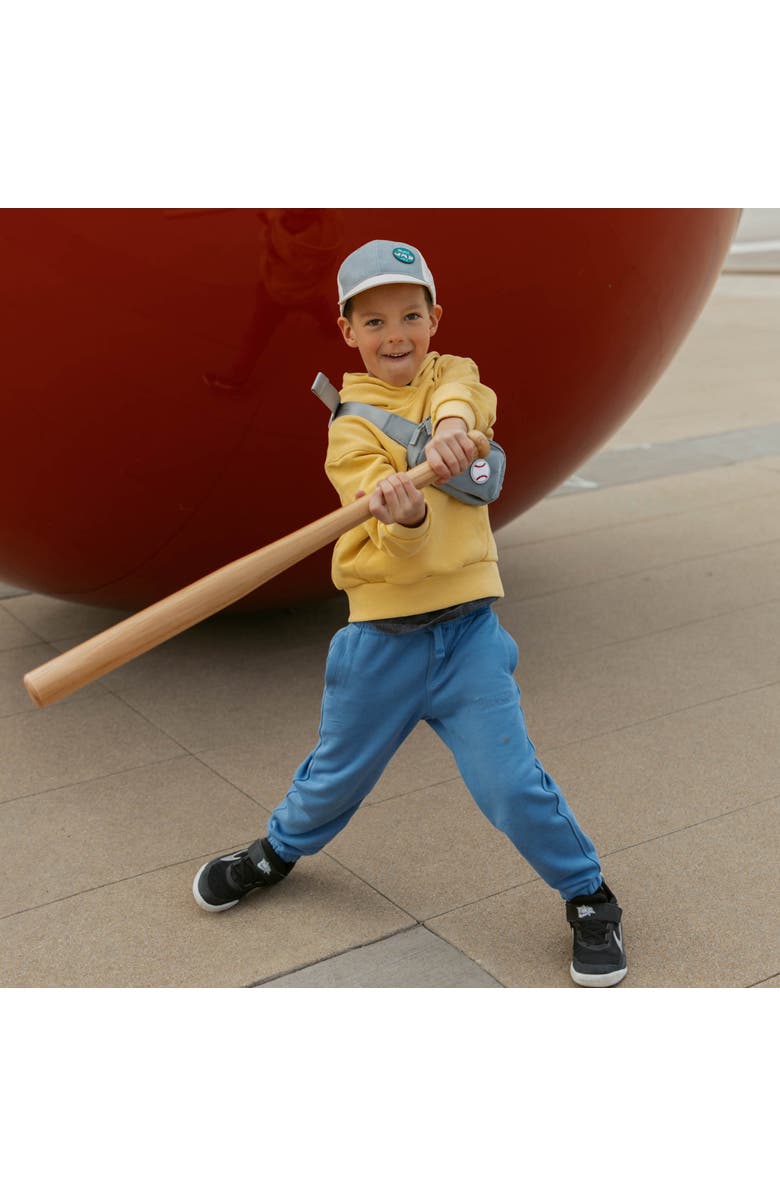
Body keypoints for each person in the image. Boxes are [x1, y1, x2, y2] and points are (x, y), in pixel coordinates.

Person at [193, 239, 627, 988]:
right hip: (380, 643)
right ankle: (276, 851)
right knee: (332, 778)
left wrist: (454, 428)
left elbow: (465, 400)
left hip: (467, 639)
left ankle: (589, 897)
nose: (396, 334)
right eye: (375, 321)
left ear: (433, 320)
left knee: (510, 784)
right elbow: (381, 531)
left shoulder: (452, 377)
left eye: (410, 315)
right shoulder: (351, 428)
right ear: (348, 332)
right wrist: (407, 518)